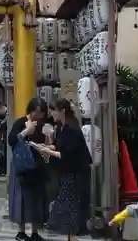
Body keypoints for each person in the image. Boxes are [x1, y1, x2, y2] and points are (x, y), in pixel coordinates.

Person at [32, 99, 92, 241]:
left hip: (76, 173)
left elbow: (66, 155)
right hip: (66, 172)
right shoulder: (60, 127)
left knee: (71, 207)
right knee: (68, 207)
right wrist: (44, 147)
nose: (52, 114)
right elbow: (57, 146)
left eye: (54, 110)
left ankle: (73, 237)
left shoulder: (72, 128)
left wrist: (48, 151)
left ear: (62, 111)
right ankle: (71, 237)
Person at [8, 97, 50, 241]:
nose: (39, 116)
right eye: (37, 112)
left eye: (41, 113)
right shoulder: (20, 122)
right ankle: (21, 232)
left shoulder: (43, 125)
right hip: (22, 167)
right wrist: (26, 131)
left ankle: (35, 232)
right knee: (22, 199)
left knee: (37, 199)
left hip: (37, 166)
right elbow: (11, 140)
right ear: (31, 111)